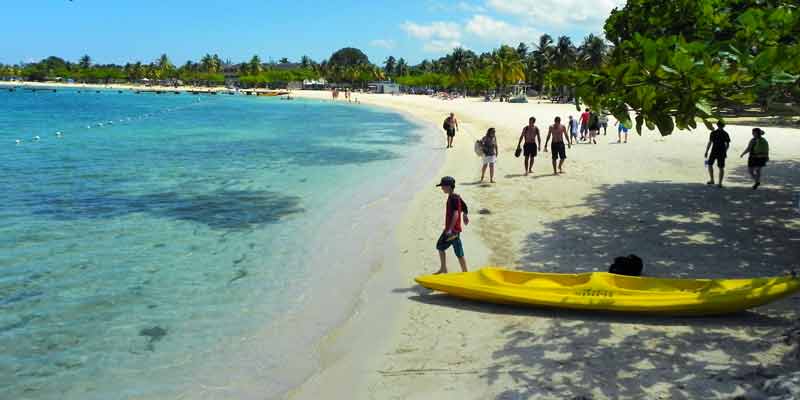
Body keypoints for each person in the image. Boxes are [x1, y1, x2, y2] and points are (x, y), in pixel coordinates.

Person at [433, 176, 469, 274]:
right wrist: (465, 215)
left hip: (452, 232)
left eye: (443, 186)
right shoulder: (456, 196)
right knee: (458, 252)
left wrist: (449, 229)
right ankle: (462, 272)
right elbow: (464, 206)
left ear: (449, 186)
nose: (441, 188)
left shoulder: (453, 197)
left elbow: (456, 213)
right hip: (454, 231)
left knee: (441, 247)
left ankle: (447, 269)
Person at [704, 121, 731, 187]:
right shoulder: (725, 133)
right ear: (724, 126)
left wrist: (706, 151)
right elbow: (727, 144)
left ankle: (712, 180)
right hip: (722, 151)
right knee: (721, 167)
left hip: (714, 151)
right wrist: (725, 151)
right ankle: (720, 183)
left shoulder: (713, 133)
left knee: (710, 165)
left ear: (717, 125)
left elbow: (710, 142)